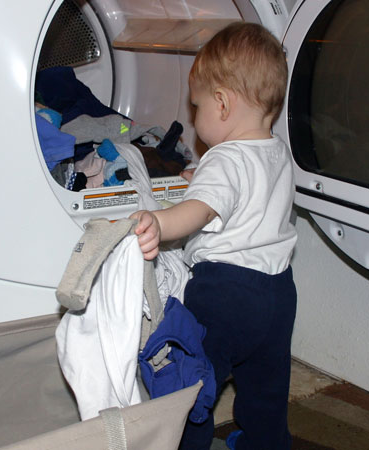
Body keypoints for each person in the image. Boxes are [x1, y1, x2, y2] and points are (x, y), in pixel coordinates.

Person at [130, 22, 297, 450]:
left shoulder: (224, 159)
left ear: (222, 104)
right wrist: (199, 178)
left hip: (227, 293)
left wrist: (161, 223)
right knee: (266, 386)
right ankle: (267, 443)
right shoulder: (277, 152)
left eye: (197, 106)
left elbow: (202, 210)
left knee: (194, 381)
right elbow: (243, 199)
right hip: (278, 293)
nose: (193, 116)